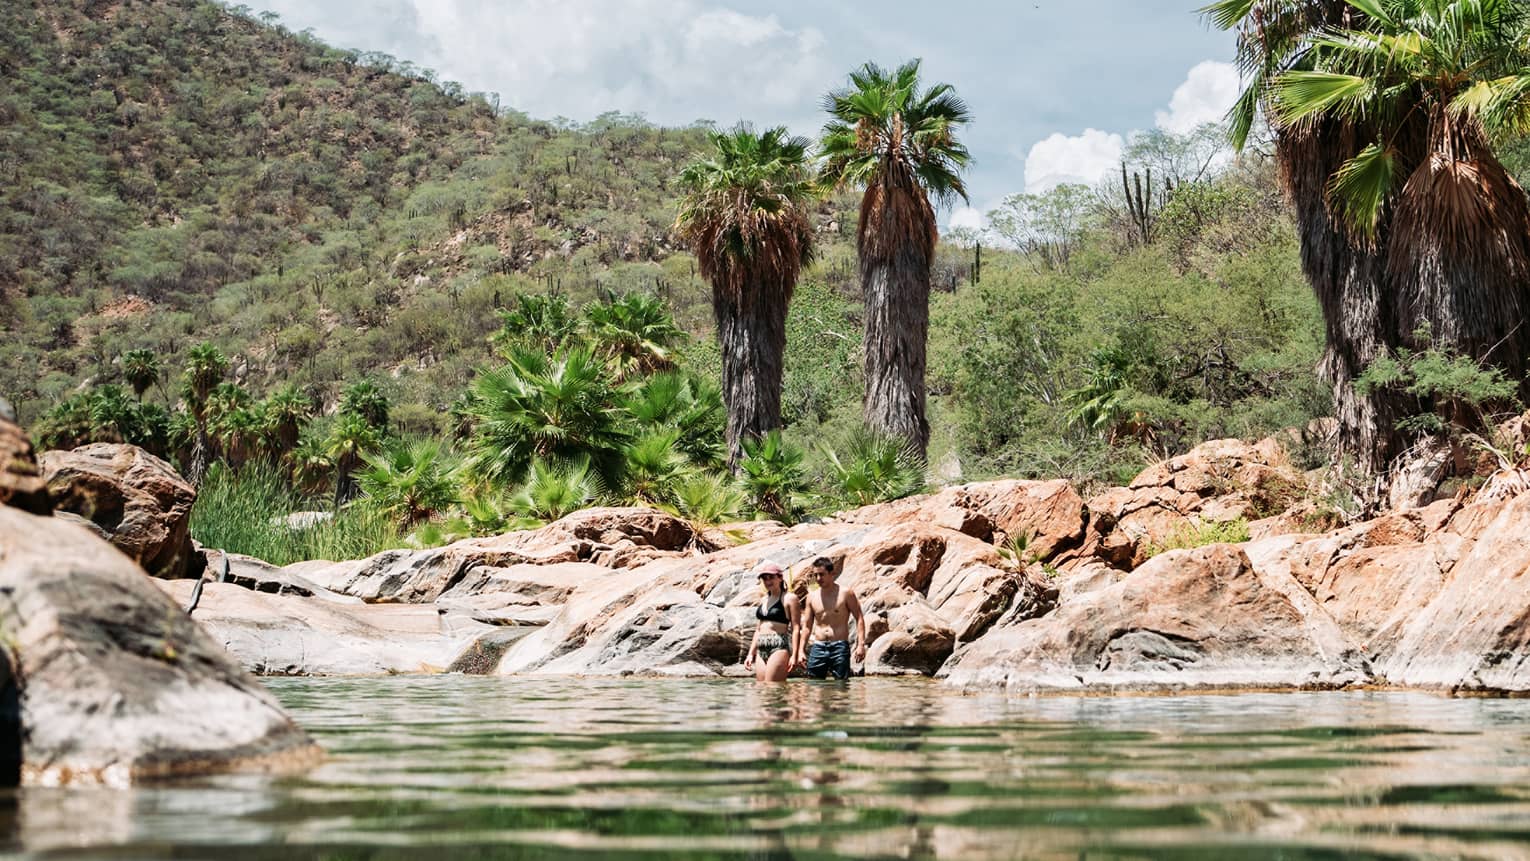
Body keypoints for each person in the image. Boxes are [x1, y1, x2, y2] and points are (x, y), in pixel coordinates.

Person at [794, 556, 865, 680]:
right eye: (815, 575)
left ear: (832, 573)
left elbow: (859, 618)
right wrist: (801, 650)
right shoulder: (811, 597)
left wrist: (860, 645)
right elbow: (806, 627)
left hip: (839, 646)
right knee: (814, 685)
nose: (818, 579)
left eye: (822, 574)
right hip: (818, 646)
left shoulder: (846, 593)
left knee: (841, 686)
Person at [743, 562, 800, 682]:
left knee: (773, 688)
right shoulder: (764, 599)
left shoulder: (789, 598)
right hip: (761, 647)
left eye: (771, 577)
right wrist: (750, 653)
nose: (767, 581)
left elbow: (796, 628)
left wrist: (795, 655)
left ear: (780, 578)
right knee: (762, 690)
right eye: (764, 578)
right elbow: (758, 629)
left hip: (778, 646)